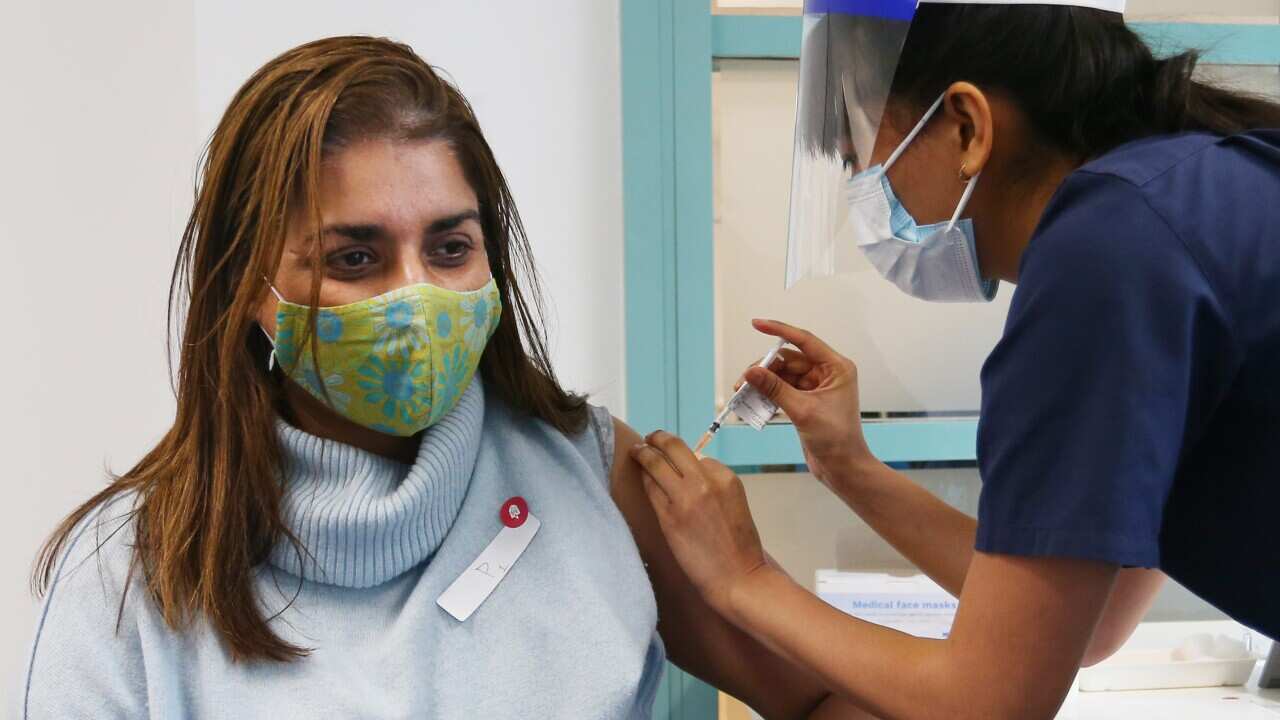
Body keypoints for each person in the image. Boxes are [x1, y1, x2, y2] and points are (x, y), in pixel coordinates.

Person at [20, 36, 859, 719]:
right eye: (356, 257)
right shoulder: (129, 573)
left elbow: (834, 701)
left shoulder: (588, 472)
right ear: (248, 287)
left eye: (451, 248)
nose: (416, 295)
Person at [630, 1, 1280, 718]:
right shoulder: (1188, 194)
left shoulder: (1109, 258)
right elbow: (1094, 620)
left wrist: (743, 578)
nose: (864, 197)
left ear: (968, 127)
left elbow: (986, 701)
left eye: (859, 160)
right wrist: (849, 468)